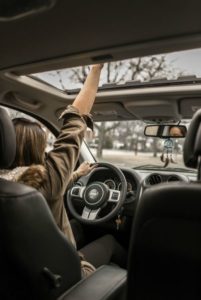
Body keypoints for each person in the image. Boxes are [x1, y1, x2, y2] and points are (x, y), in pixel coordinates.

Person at [0, 64, 127, 276]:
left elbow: (55, 187)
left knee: (77, 227)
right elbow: (75, 121)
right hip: (66, 278)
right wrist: (96, 69)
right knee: (111, 241)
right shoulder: (47, 179)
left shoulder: (10, 189)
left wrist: (76, 174)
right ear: (37, 150)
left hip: (21, 277)